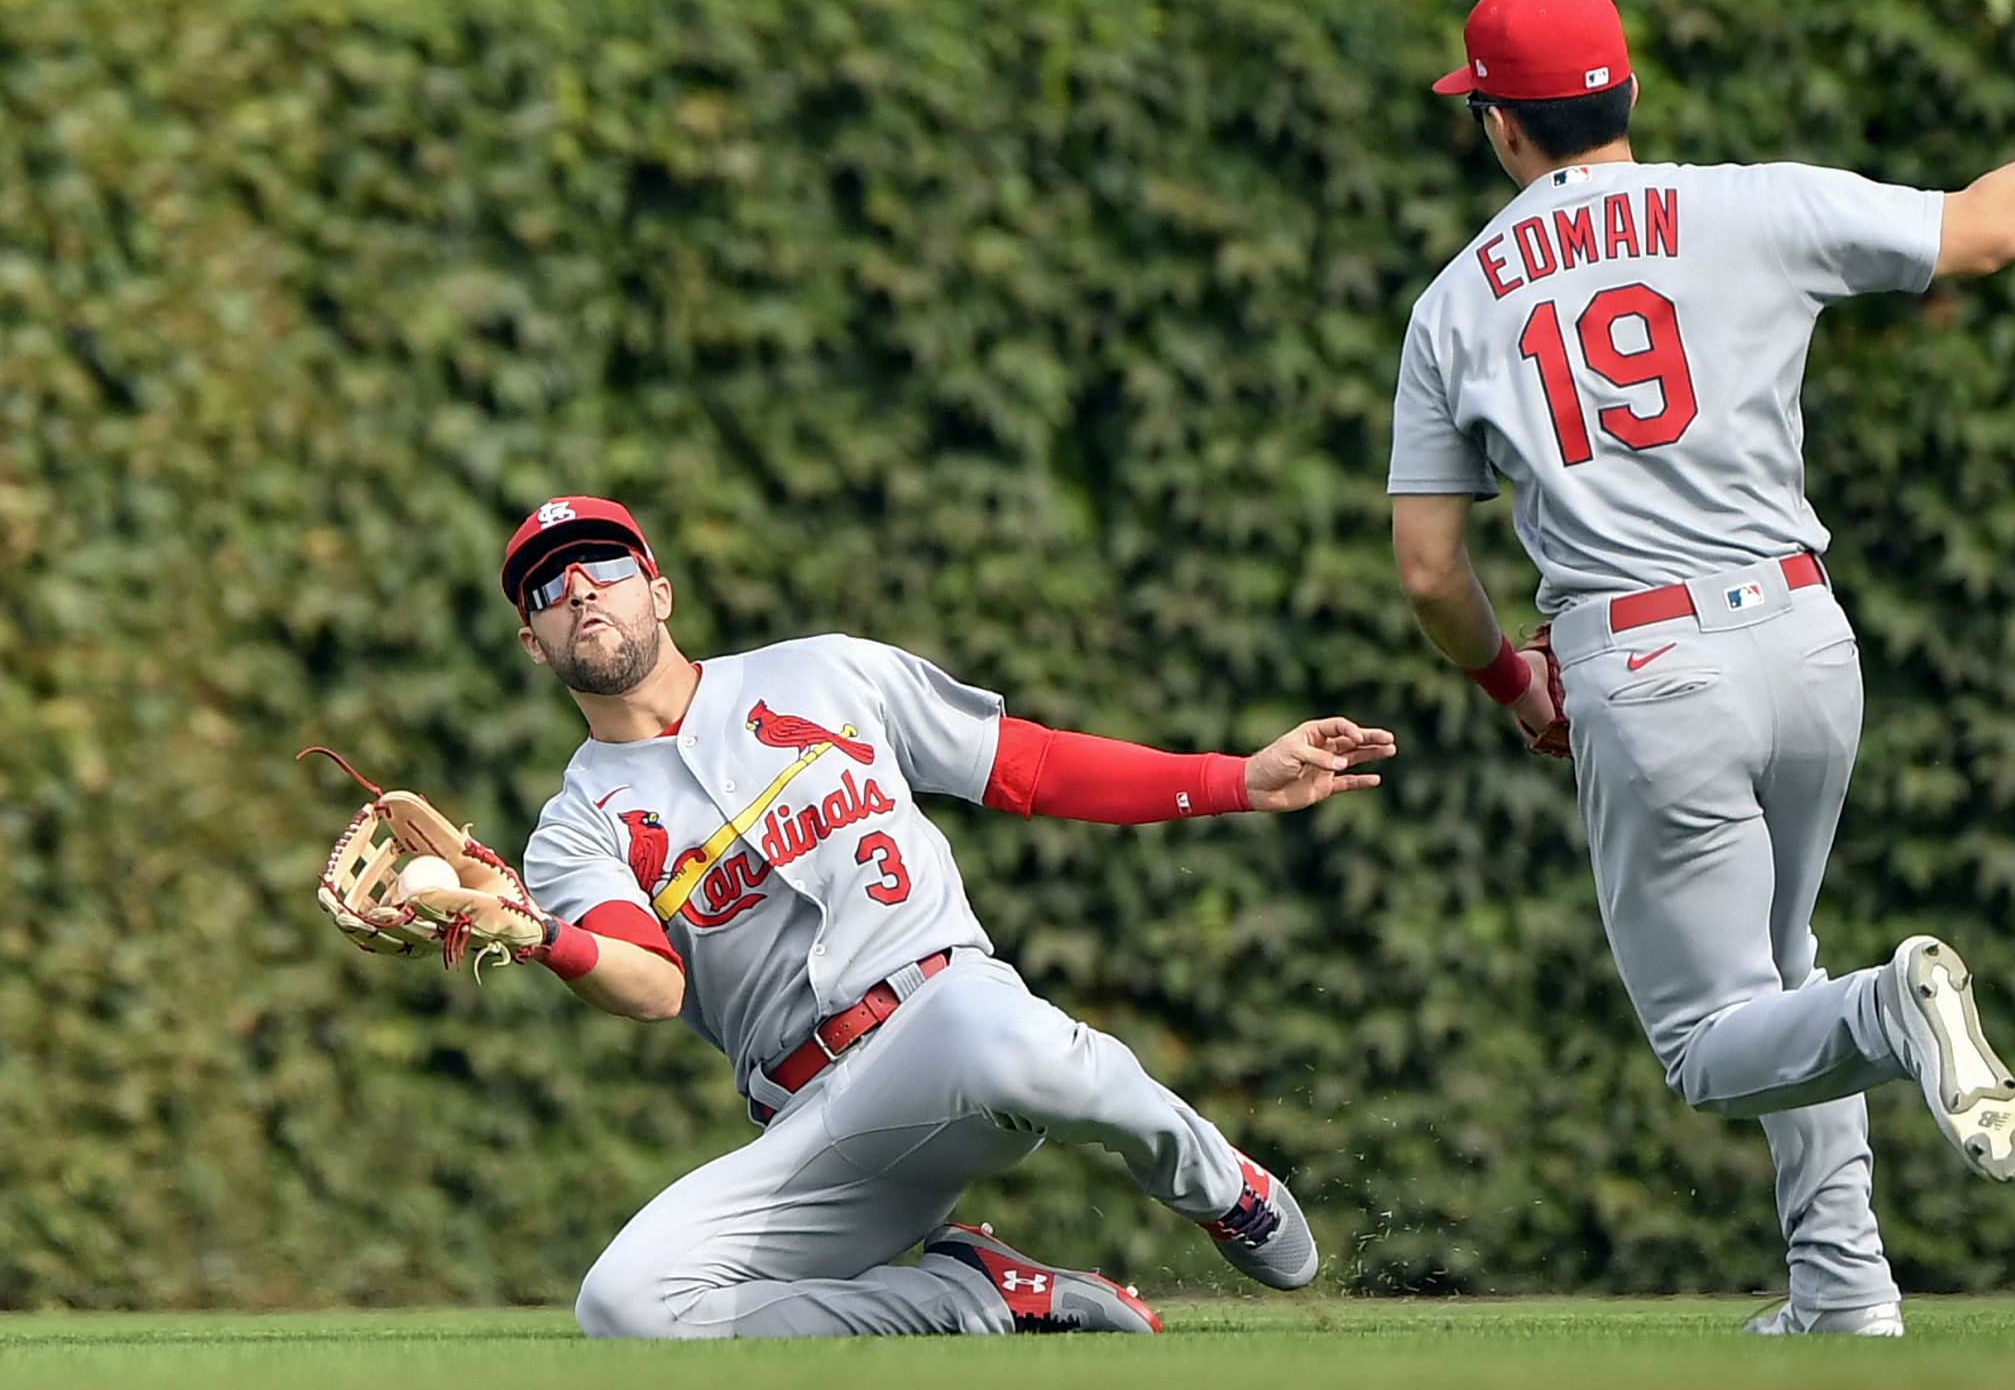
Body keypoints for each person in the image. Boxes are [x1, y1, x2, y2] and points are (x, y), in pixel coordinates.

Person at [1387, 0, 2015, 1336]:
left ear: (1498, 123)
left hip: (1643, 661)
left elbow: (1432, 571)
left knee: (1707, 1048)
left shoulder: (1457, 302)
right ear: (1624, 90)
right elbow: (1986, 231)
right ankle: (1844, 1287)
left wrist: (1512, 681)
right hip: (1804, 632)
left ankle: (1892, 1008)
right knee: (1779, 962)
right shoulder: (1750, 200)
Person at [491, 494, 1396, 1338]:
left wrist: (1233, 779)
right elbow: (650, 984)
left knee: (1016, 1044)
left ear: (658, 590)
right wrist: (538, 934)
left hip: (942, 1015)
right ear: (533, 640)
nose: (577, 589)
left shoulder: (823, 672)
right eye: (546, 585)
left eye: (600, 564)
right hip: (815, 1123)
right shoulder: (576, 829)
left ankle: (1213, 1179)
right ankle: (968, 1294)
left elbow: (1027, 766)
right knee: (624, 1307)